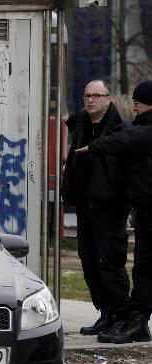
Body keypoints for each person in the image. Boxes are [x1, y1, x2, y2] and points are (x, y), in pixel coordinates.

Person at [78, 80, 152, 343]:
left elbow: (126, 139)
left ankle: (136, 320)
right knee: (141, 266)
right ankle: (129, 318)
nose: (134, 105)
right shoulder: (138, 128)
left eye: (138, 101)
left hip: (126, 208)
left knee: (140, 266)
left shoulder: (140, 131)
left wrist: (95, 146)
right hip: (142, 208)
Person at [60, 79, 132, 338]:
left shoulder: (120, 130)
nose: (91, 100)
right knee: (89, 262)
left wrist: (120, 198)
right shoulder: (80, 125)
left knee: (110, 262)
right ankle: (106, 313)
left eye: (97, 96)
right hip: (84, 205)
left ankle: (121, 316)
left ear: (108, 99)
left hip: (110, 208)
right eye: (87, 95)